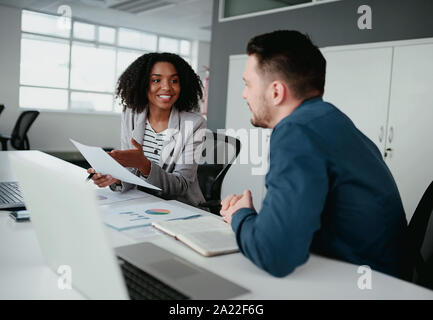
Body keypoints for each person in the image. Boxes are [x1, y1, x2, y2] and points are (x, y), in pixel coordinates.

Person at [220, 30, 409, 279]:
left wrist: (239, 215)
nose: (244, 94)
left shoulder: (296, 131)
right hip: (379, 277)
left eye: (248, 84)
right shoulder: (332, 121)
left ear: (276, 92)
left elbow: (274, 255)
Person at [88, 52, 206, 207]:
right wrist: (115, 178)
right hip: (140, 201)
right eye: (156, 80)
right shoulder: (131, 114)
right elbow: (131, 171)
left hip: (178, 207)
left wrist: (144, 165)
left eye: (174, 81)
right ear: (143, 84)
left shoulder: (194, 123)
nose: (167, 87)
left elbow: (181, 185)